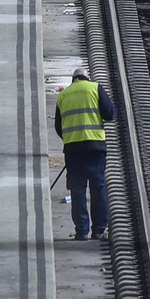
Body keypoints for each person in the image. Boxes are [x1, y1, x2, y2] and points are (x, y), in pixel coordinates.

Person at [54, 68, 117, 240]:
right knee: (98, 188)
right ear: (86, 78)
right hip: (95, 148)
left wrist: (72, 139)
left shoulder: (63, 95)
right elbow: (110, 114)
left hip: (73, 149)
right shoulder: (95, 88)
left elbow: (59, 127)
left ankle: (81, 231)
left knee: (77, 190)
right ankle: (98, 229)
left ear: (73, 79)